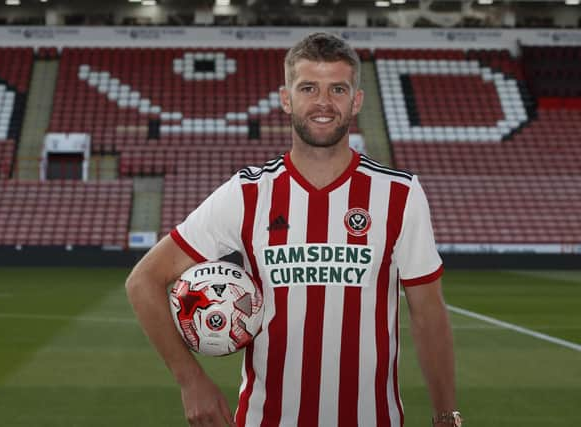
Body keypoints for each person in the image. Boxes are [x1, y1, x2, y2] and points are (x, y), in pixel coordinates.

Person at [126, 32, 461, 427]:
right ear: (286, 99)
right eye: (308, 88)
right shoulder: (249, 192)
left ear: (356, 101)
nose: (323, 102)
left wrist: (446, 416)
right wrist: (190, 379)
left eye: (337, 88)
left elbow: (428, 314)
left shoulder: (399, 193)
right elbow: (143, 280)